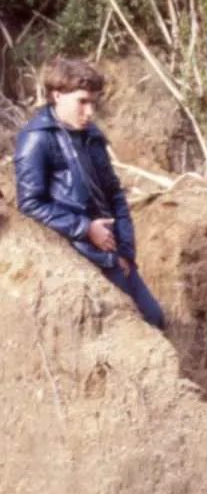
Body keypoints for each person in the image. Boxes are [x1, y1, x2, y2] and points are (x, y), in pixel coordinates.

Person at [14, 56, 166, 330]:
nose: (90, 112)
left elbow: (115, 194)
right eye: (82, 102)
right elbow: (30, 203)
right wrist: (85, 229)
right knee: (131, 327)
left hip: (112, 250)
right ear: (57, 95)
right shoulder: (37, 138)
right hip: (79, 252)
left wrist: (126, 251)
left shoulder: (91, 135)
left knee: (154, 318)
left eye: (93, 102)